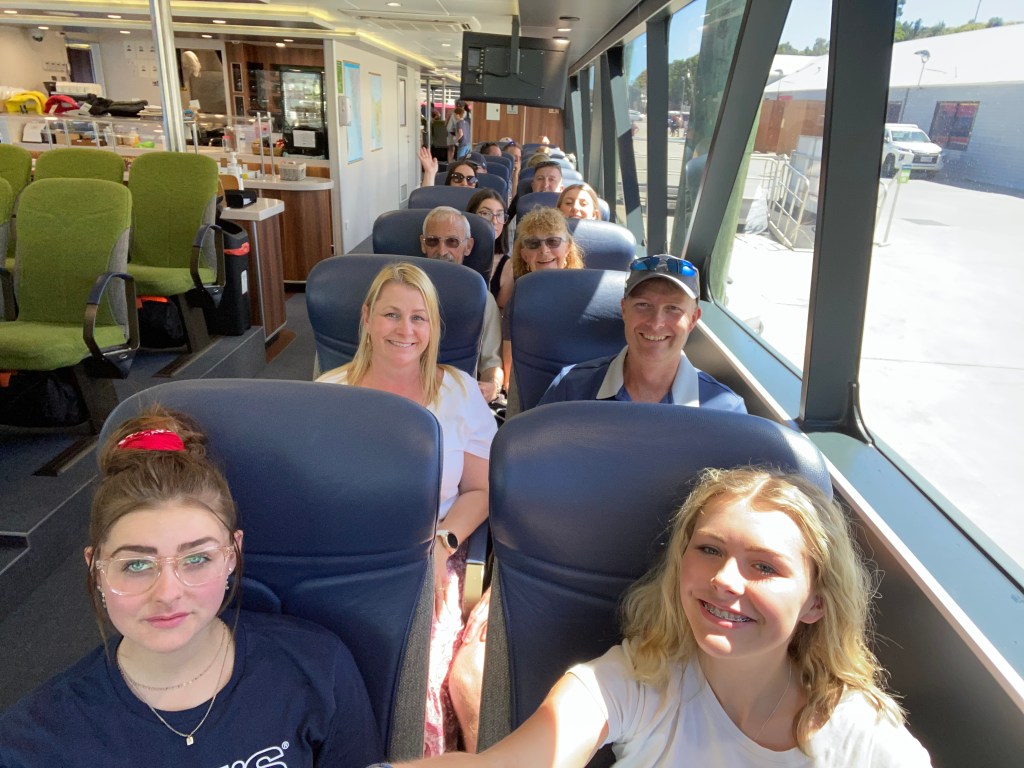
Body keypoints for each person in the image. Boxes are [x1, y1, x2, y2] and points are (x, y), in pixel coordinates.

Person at [378, 467, 933, 767]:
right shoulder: (636, 680)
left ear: (816, 602)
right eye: (709, 550)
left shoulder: (863, 740)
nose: (725, 580)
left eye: (764, 567)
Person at [0, 408, 383, 768]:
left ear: (232, 555)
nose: (167, 593)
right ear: (96, 569)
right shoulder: (35, 741)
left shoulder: (319, 669)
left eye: (197, 559)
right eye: (136, 564)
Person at [316, 263, 496, 756]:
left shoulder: (458, 391)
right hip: (347, 555)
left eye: (419, 318)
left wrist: (440, 547)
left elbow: (480, 490)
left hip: (432, 549)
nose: (405, 329)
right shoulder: (327, 393)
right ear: (366, 318)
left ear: (434, 327)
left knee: (418, 683)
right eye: (392, 314)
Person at [539, 254, 746, 411]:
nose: (656, 323)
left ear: (693, 319)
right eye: (643, 305)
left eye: (673, 308)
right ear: (624, 310)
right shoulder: (570, 389)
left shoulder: (726, 411)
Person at [420, 206, 504, 403]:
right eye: (433, 241)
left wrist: (492, 386)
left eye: (452, 242)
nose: (442, 251)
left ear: (468, 246)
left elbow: (492, 363)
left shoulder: (481, 298)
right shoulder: (401, 292)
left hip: (459, 399)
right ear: (423, 244)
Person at [466, 189, 512, 312]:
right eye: (486, 213)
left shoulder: (508, 266)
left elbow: (500, 315)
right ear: (471, 216)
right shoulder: (454, 251)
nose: (494, 221)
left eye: (499, 214)